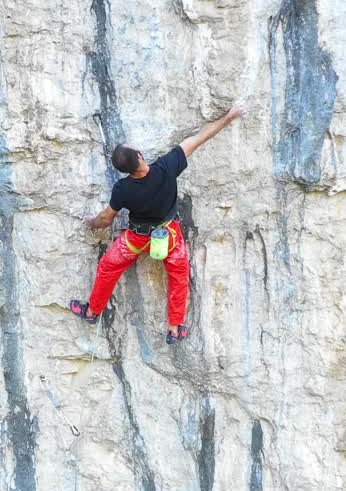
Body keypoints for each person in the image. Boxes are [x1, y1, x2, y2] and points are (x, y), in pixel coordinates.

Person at [70, 104, 245, 344]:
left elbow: (106, 219)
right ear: (140, 156)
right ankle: (175, 328)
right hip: (168, 234)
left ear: (125, 170)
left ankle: (92, 312)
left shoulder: (122, 189)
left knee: (108, 268)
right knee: (179, 274)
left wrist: (90, 222)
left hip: (136, 239)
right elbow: (200, 138)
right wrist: (229, 117)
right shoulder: (167, 167)